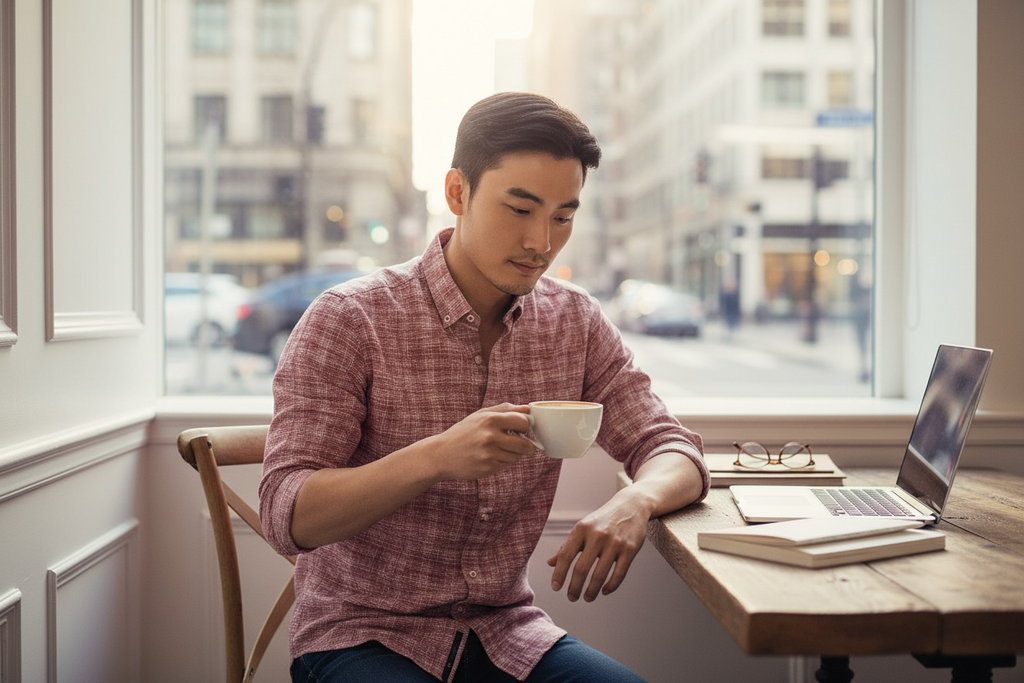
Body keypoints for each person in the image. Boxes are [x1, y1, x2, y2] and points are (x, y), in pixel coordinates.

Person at [259, 92, 709, 683]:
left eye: (562, 217)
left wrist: (636, 501)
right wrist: (436, 457)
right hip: (358, 636)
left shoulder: (574, 321)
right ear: (457, 193)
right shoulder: (349, 318)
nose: (541, 242)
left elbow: (673, 448)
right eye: (519, 209)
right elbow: (285, 513)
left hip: (508, 632)